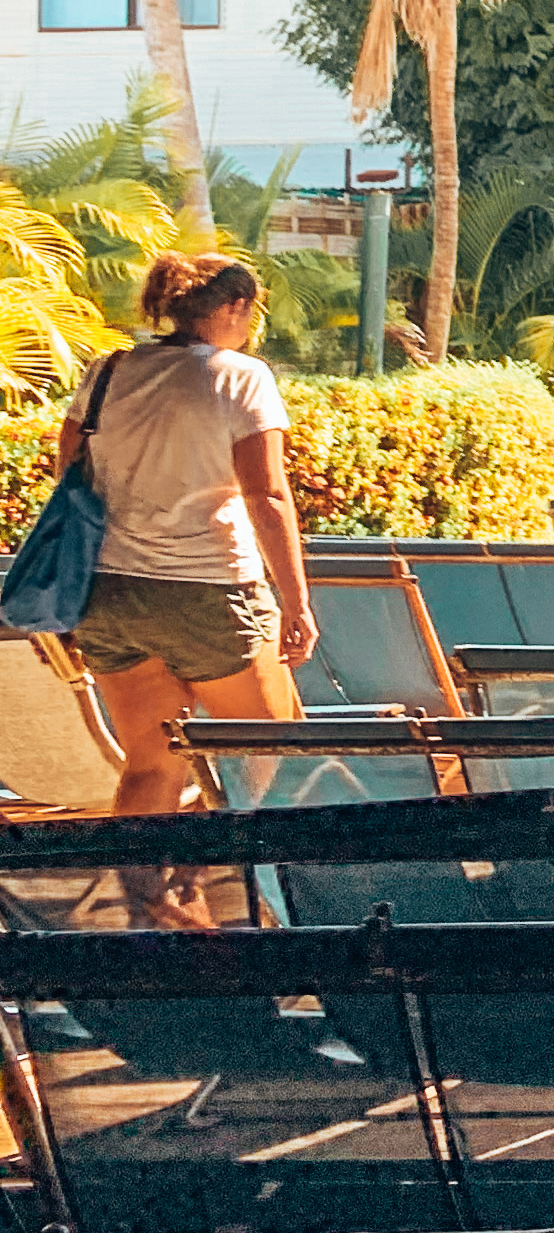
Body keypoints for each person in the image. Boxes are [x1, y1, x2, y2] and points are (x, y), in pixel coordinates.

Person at [53, 251, 315, 925]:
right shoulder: (240, 377)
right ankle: (200, 878)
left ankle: (146, 917)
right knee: (274, 743)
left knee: (150, 760)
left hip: (109, 590)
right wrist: (297, 602)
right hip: (206, 588)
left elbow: (67, 465)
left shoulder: (110, 372)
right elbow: (267, 496)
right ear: (232, 308)